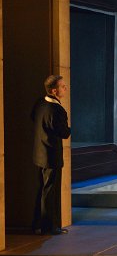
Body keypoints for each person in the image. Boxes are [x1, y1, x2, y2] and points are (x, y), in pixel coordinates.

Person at [31, 74, 71, 235]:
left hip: (39, 154)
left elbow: (33, 118)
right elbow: (64, 133)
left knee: (42, 189)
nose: (65, 88)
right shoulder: (57, 109)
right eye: (62, 86)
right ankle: (49, 227)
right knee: (50, 192)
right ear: (54, 91)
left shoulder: (40, 103)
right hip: (51, 156)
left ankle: (37, 225)